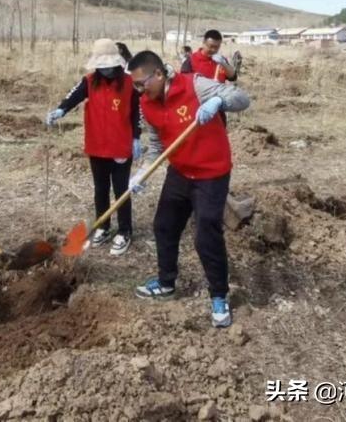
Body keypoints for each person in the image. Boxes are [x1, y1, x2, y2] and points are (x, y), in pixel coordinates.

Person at [127, 50, 250, 327]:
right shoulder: (147, 103)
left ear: (158, 74)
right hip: (180, 172)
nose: (137, 90)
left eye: (140, 83)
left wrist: (218, 100)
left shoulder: (194, 84)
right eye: (134, 85)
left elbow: (243, 99)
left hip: (211, 173)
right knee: (164, 225)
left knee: (206, 232)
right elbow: (158, 146)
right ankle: (166, 281)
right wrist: (142, 174)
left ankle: (219, 295)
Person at [45, 38, 141, 256]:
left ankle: (125, 230)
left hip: (120, 145)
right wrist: (60, 111)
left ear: (117, 63)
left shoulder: (129, 83)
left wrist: (136, 136)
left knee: (121, 190)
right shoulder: (89, 81)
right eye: (102, 66)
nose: (106, 70)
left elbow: (138, 111)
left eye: (109, 66)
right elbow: (71, 97)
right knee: (100, 189)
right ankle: (104, 226)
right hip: (96, 145)